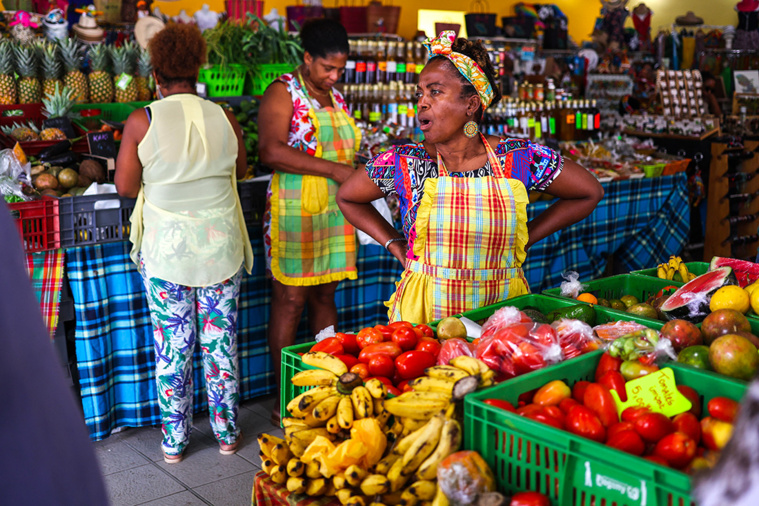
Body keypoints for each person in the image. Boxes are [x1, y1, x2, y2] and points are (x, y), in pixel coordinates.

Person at [336, 32, 604, 324]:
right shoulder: (405, 161)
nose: (422, 103)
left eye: (435, 92)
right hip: (425, 317)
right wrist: (394, 243)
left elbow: (589, 192)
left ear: (471, 104)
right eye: (420, 94)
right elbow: (348, 197)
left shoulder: (517, 157)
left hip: (500, 315)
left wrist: (525, 240)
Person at [115, 24, 253, 463]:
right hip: (221, 248)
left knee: (173, 347)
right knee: (220, 344)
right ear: (197, 69)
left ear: (156, 73)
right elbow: (243, 167)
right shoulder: (225, 116)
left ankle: (175, 443)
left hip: (166, 251)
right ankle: (228, 434)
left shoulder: (143, 119)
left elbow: (124, 186)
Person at [257, 18, 360, 420]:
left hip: (335, 212)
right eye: (327, 68)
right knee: (290, 300)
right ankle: (286, 397)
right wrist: (334, 170)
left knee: (324, 296)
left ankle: (323, 389)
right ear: (307, 59)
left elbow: (344, 154)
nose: (334, 76)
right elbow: (270, 150)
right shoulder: (283, 92)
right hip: (294, 212)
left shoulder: (336, 98)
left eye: (340, 69)